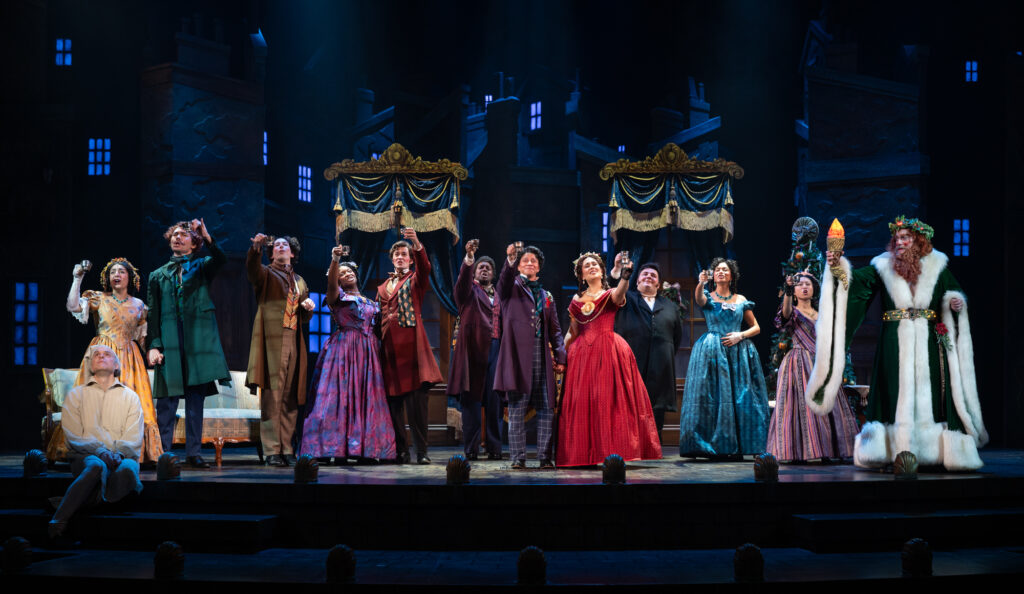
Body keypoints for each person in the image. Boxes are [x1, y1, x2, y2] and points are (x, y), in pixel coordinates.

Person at [811, 216, 987, 470]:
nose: (900, 242)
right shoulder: (883, 265)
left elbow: (952, 293)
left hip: (929, 341)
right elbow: (856, 284)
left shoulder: (937, 266)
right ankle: (890, 451)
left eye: (906, 238)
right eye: (897, 238)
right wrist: (838, 267)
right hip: (894, 341)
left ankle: (933, 451)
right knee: (893, 390)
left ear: (919, 241)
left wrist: (954, 302)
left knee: (932, 393)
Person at [557, 253, 662, 467]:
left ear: (602, 271)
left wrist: (625, 277)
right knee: (584, 403)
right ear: (581, 275)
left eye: (595, 264)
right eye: (587, 265)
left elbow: (619, 294)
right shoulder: (576, 301)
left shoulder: (609, 294)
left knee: (608, 401)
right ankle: (584, 453)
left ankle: (611, 452)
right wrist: (560, 354)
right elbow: (573, 332)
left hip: (608, 351)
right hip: (582, 355)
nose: (592, 267)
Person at [146, 219, 231, 469]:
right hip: (170, 337)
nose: (177, 238)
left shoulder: (202, 266)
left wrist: (207, 235)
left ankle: (194, 452)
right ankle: (164, 452)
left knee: (196, 398)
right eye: (174, 234)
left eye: (183, 235)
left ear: (194, 244)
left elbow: (221, 259)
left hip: (197, 339)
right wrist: (154, 345)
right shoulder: (157, 275)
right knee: (167, 399)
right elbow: (153, 314)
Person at [301, 248, 396, 462]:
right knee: (340, 397)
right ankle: (336, 448)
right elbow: (331, 284)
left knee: (367, 397)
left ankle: (366, 449)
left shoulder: (371, 301)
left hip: (368, 353)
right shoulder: (337, 296)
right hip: (344, 350)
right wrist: (335, 259)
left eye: (350, 271)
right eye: (342, 274)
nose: (347, 274)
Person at [65, 257, 162, 463]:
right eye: (112, 272)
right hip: (103, 354)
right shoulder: (99, 298)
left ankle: (130, 451)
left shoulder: (139, 305)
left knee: (134, 404)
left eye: (121, 271)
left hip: (130, 358)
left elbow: (143, 337)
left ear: (130, 277)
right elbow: (73, 307)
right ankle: (96, 450)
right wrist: (77, 279)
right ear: (107, 278)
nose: (116, 275)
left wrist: (154, 351)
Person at [678, 258, 769, 459]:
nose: (721, 272)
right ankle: (711, 445)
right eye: (718, 270)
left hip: (737, 352)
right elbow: (699, 299)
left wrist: (740, 335)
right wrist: (701, 283)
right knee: (712, 395)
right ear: (713, 276)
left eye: (725, 270)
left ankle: (740, 445)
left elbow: (756, 327)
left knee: (741, 396)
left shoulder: (740, 299)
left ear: (731, 276)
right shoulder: (708, 296)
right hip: (712, 351)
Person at [49, 345, 143, 539]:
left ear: (116, 365)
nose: (101, 356)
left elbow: (133, 434)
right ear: (91, 366)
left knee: (127, 469)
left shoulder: (130, 397)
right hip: (87, 455)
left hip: (121, 456)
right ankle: (58, 520)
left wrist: (118, 453)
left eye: (107, 354)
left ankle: (70, 501)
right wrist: (100, 451)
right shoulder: (76, 395)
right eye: (96, 355)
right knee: (96, 466)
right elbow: (74, 435)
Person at [766, 273, 859, 462]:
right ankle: (796, 452)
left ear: (814, 289)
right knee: (798, 407)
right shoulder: (793, 311)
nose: (804, 287)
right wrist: (787, 291)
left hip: (822, 363)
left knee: (827, 404)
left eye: (808, 284)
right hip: (799, 363)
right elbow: (784, 315)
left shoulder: (823, 313)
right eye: (800, 285)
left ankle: (828, 450)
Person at [494, 243, 567, 469]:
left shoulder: (546, 295)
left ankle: (545, 457)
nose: (529, 263)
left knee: (546, 407)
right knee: (517, 407)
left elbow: (555, 330)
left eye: (533, 261)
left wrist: (561, 356)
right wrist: (510, 259)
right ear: (518, 266)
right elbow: (503, 281)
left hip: (541, 354)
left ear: (539, 267)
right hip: (517, 355)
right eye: (524, 260)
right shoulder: (511, 287)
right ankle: (518, 457)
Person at [245, 234, 316, 466]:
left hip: (293, 339)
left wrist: (308, 308)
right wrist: (256, 248)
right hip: (272, 339)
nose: (281, 247)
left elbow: (303, 318)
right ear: (272, 253)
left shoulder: (300, 281)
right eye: (277, 245)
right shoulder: (266, 273)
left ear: (292, 253)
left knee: (290, 396)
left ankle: (287, 448)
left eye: (285, 245)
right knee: (272, 396)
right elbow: (252, 271)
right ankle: (271, 450)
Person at [377, 228, 443, 464]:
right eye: (396, 255)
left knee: (417, 407)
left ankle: (422, 452)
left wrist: (416, 242)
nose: (400, 257)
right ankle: (401, 451)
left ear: (410, 259)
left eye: (404, 254)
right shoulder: (382, 287)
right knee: (394, 406)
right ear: (392, 259)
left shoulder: (415, 280)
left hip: (413, 348)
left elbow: (425, 267)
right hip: (390, 350)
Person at [610, 257, 683, 436]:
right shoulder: (627, 298)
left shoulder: (670, 306)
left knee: (657, 411)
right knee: (630, 405)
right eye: (644, 274)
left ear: (658, 283)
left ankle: (655, 444)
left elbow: (676, 337)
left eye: (653, 275)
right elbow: (612, 290)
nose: (649, 276)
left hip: (661, 365)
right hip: (632, 362)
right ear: (637, 281)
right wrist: (618, 271)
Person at [447, 239, 504, 460]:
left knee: (494, 402)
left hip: (496, 348)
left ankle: (494, 448)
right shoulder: (467, 291)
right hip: (472, 350)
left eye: (488, 268)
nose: (484, 270)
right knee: (471, 403)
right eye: (480, 267)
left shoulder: (499, 295)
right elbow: (462, 280)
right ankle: (471, 448)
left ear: (493, 273)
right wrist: (470, 258)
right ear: (474, 272)